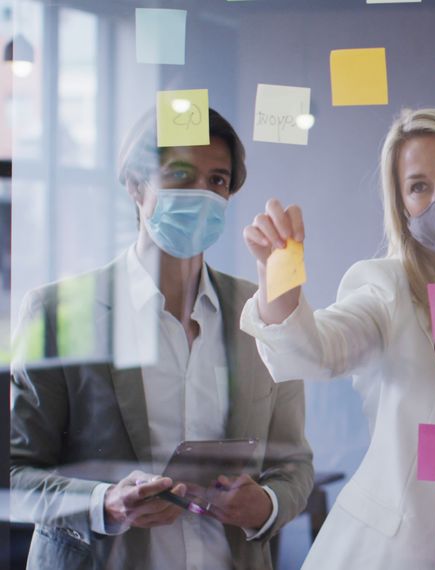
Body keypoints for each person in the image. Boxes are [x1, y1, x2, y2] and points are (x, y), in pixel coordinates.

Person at [9, 108, 314, 569]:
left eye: (217, 181)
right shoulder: (56, 314)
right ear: (135, 185)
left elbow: (294, 463)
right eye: (180, 175)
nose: (202, 194)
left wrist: (267, 505)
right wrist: (102, 501)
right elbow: (14, 473)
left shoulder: (262, 312)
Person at [239, 108, 435, 568]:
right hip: (393, 550)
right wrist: (277, 280)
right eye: (419, 186)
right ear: (402, 206)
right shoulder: (387, 287)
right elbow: (316, 352)